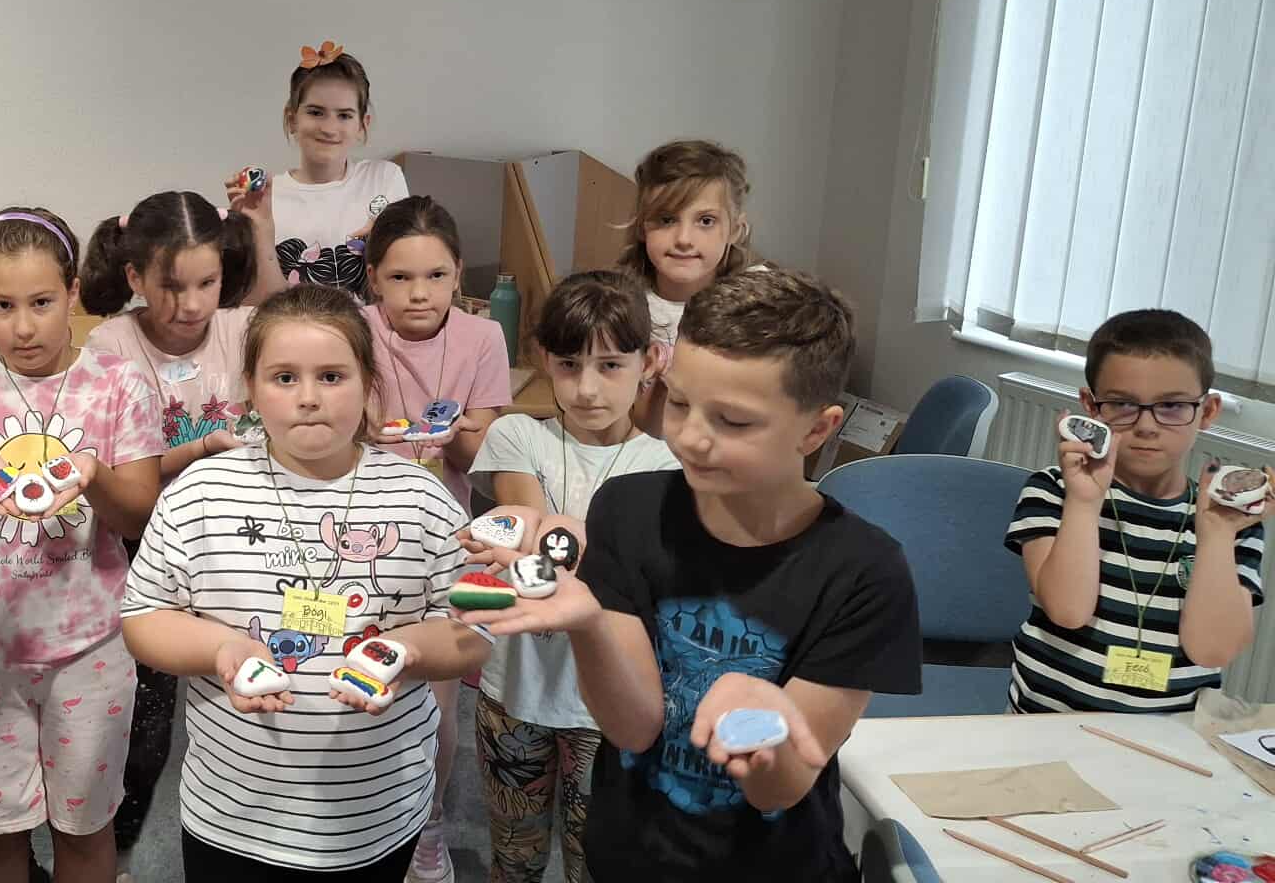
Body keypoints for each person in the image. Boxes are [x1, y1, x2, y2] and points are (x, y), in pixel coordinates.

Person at [458, 268, 920, 881]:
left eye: (733, 422)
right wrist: (591, 627)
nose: (692, 439)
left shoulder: (864, 573)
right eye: (678, 403)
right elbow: (633, 728)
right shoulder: (629, 511)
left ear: (817, 429)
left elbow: (778, 790)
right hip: (630, 854)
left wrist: (766, 728)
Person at [122, 285, 491, 881]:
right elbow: (144, 617)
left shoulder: (420, 498)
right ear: (250, 386)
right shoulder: (200, 493)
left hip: (376, 812)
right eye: (285, 377)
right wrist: (222, 648)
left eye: (332, 376)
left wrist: (406, 649)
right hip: (232, 813)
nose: (309, 397)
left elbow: (472, 629)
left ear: (369, 383)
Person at [0, 208, 164, 883]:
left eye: (42, 302)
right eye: (2, 305)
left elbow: (140, 513)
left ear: (73, 292)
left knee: (83, 828)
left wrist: (94, 476)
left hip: (91, 648)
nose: (23, 327)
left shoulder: (117, 383)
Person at [77, 187, 281, 873]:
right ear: (135, 276)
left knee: (256, 683)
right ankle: (122, 847)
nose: (191, 304)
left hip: (238, 539)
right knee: (146, 714)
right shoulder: (110, 344)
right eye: (171, 287)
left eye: (207, 284)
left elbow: (293, 329)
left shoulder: (243, 329)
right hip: (144, 544)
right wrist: (197, 450)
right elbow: (115, 476)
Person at [464, 271, 677, 883]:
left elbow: (603, 569)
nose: (586, 388)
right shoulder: (517, 435)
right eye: (568, 364)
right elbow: (535, 536)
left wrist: (561, 544)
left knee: (598, 861)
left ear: (649, 361)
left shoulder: (666, 464)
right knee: (514, 857)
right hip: (515, 691)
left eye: (610, 366)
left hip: (607, 705)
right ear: (543, 359)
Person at [1007, 308, 1266, 714]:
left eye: (1173, 405)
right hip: (1048, 723)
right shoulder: (1054, 491)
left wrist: (1216, 536)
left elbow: (1213, 650)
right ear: (1091, 406)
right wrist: (1084, 503)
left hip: (1168, 735)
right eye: (1122, 404)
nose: (1147, 426)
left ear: (1207, 412)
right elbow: (1067, 611)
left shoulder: (1232, 520)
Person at [358, 195, 509, 883]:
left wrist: (458, 435)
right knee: (358, 678)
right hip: (354, 530)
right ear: (373, 278)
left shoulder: (483, 338)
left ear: (458, 274)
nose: (419, 293)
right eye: (400, 277)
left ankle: (429, 822)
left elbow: (483, 457)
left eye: (436, 275)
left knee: (436, 704)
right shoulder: (354, 330)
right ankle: (355, 822)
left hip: (440, 537)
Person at [614, 139, 755, 436]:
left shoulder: (761, 308)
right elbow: (632, 425)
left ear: (735, 230)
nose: (684, 239)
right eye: (667, 219)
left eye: (706, 221)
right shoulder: (619, 309)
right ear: (642, 227)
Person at [268, 41, 407, 300]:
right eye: (316, 112)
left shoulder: (384, 179)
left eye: (344, 115)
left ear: (362, 124)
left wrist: (387, 236)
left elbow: (409, 268)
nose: (329, 129)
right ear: (292, 119)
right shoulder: (267, 197)